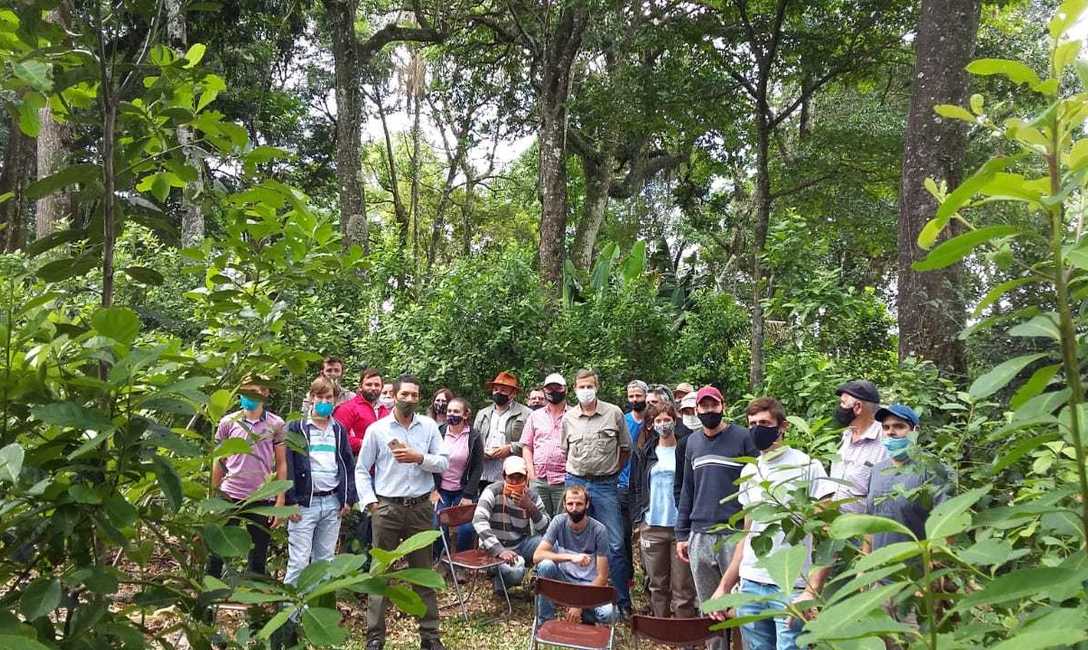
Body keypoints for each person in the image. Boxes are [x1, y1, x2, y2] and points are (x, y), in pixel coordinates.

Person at [708, 397, 834, 650]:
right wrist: (725, 586)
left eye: (764, 423)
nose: (757, 428)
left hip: (791, 585)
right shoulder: (750, 471)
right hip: (751, 582)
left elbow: (829, 534)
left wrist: (812, 590)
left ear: (782, 426)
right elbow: (747, 534)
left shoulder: (807, 466)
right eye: (752, 423)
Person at [355, 374, 450, 650]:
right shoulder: (378, 429)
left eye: (414, 395)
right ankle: (375, 638)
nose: (410, 399)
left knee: (423, 573)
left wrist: (419, 458)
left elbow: (443, 463)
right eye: (405, 394)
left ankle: (430, 637)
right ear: (393, 395)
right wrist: (371, 503)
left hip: (420, 508)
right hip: (387, 508)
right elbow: (362, 470)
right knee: (379, 574)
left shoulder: (429, 427)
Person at [793, 380, 888, 616]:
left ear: (857, 407)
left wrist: (867, 560)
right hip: (836, 538)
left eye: (842, 402)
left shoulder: (884, 444)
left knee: (871, 614)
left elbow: (880, 506)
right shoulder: (846, 437)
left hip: (866, 543)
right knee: (837, 611)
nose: (839, 406)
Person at [676, 385, 757, 649]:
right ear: (697, 410)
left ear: (723, 405)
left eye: (714, 405)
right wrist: (681, 533)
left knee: (740, 605)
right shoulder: (692, 443)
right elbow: (687, 489)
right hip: (700, 533)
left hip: (734, 532)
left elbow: (757, 483)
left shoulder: (744, 438)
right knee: (709, 606)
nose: (709, 410)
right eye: (704, 406)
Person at [561, 368, 633, 615]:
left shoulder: (614, 413)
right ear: (574, 389)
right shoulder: (568, 417)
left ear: (597, 386)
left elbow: (625, 449)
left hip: (605, 485)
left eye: (589, 386)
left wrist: (611, 471)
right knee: (574, 542)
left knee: (614, 545)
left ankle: (622, 602)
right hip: (576, 483)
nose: (585, 390)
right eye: (581, 387)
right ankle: (576, 598)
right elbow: (565, 451)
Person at [283, 377, 358, 586]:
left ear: (335, 400)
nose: (324, 401)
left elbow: (347, 465)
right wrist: (290, 502)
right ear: (311, 398)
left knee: (324, 562)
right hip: (304, 504)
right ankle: (291, 614)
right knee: (298, 562)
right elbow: (286, 466)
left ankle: (316, 610)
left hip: (332, 502)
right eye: (320, 397)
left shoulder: (339, 430)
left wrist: (347, 499)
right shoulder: (296, 428)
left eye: (329, 397)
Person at [630, 402, 696, 619]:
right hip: (652, 524)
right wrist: (639, 519)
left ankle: (683, 634)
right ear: (652, 424)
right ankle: (661, 630)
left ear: (674, 421)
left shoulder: (686, 450)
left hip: (680, 527)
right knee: (657, 584)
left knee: (683, 587)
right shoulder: (645, 452)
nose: (663, 424)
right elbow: (636, 486)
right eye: (658, 420)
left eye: (666, 419)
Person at [532, 485, 616, 625]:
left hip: (589, 586)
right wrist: (571, 557)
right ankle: (544, 621)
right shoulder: (558, 521)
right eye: (570, 504)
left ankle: (586, 613)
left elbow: (602, 577)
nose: (574, 508)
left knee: (609, 614)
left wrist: (579, 604)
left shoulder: (599, 530)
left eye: (579, 504)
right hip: (564, 581)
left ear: (587, 504)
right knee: (546, 565)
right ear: (564, 504)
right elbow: (537, 556)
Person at [473, 456, 550, 595]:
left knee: (550, 544)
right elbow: (478, 520)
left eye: (519, 478)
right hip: (493, 549)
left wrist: (531, 508)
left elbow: (546, 529)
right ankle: (501, 581)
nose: (515, 482)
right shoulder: (492, 490)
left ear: (526, 477)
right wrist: (499, 550)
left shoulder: (531, 496)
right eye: (511, 478)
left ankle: (536, 579)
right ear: (503, 476)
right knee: (515, 572)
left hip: (520, 545)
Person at [332, 368, 384, 558]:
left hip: (381, 475)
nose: (373, 388)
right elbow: (338, 436)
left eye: (377, 384)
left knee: (375, 522)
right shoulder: (348, 408)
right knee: (356, 524)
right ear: (360, 386)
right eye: (369, 384)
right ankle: (350, 569)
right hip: (357, 471)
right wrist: (364, 443)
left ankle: (372, 564)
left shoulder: (386, 410)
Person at [434, 397, 483, 555]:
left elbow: (477, 467)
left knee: (467, 528)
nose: (451, 414)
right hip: (441, 490)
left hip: (463, 490)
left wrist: (468, 495)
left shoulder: (474, 436)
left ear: (465, 414)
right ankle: (443, 559)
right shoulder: (439, 432)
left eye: (456, 411)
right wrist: (432, 490)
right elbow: (430, 462)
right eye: (449, 411)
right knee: (436, 526)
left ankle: (462, 559)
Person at [521, 373, 570, 516]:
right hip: (539, 479)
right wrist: (531, 473)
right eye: (549, 388)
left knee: (564, 522)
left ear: (565, 389)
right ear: (544, 391)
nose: (553, 391)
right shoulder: (535, 416)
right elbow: (526, 446)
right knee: (538, 522)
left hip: (564, 480)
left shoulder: (574, 415)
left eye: (557, 387)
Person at [475, 371, 532, 495]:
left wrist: (510, 448)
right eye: (495, 389)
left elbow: (531, 443)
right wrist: (481, 451)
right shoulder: (482, 414)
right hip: (484, 473)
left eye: (503, 390)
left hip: (512, 473)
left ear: (513, 393)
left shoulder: (526, 414)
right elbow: (473, 440)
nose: (498, 392)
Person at [617, 379, 647, 602]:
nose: (635, 400)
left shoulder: (653, 420)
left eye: (638, 396)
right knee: (623, 534)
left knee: (647, 535)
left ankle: (650, 581)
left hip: (645, 487)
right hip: (622, 485)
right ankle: (627, 577)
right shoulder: (624, 420)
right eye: (631, 396)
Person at [673, 391, 701, 506]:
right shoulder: (684, 443)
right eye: (686, 412)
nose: (691, 415)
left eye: (693, 410)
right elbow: (679, 481)